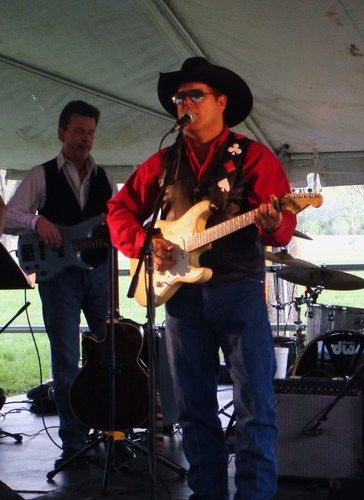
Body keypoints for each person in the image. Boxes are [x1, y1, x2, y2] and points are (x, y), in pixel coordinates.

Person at [106, 57, 296, 499]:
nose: (185, 104)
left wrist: (273, 222)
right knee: (193, 409)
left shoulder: (254, 157)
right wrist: (146, 242)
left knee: (256, 407)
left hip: (238, 292)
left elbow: (282, 226)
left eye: (195, 95)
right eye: (179, 98)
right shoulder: (164, 162)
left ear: (221, 102)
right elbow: (119, 211)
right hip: (182, 299)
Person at [5, 100, 116, 467]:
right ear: (61, 132)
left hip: (99, 274)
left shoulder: (104, 179)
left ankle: (111, 432)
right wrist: (37, 222)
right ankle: (73, 443)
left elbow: (119, 223)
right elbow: (8, 217)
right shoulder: (41, 175)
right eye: (79, 131)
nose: (86, 139)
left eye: (91, 133)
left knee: (110, 355)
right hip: (58, 279)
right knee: (66, 360)